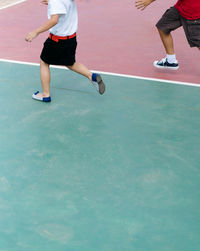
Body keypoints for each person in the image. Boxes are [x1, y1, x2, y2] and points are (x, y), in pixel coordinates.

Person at [25, 0, 105, 102]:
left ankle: (45, 94)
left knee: (44, 62)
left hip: (57, 40)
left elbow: (54, 20)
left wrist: (36, 32)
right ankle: (91, 76)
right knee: (70, 63)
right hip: (71, 38)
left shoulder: (55, 2)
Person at [135, 0, 200, 70]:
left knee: (198, 42)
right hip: (181, 7)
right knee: (163, 26)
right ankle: (171, 61)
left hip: (193, 11)